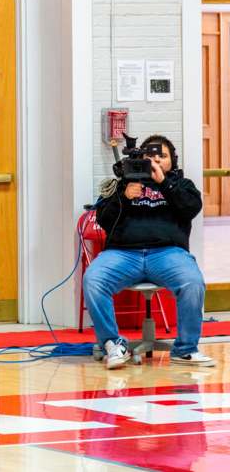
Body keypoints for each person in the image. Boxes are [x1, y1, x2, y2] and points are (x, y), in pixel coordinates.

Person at [83, 135, 216, 369]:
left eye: (162, 156)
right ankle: (113, 345)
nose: (155, 160)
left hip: (168, 253)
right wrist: (123, 197)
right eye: (150, 156)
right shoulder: (122, 185)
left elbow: (190, 208)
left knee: (193, 282)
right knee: (93, 280)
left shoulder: (182, 185)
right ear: (140, 160)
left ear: (172, 162)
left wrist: (164, 183)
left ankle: (185, 349)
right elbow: (103, 219)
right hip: (123, 254)